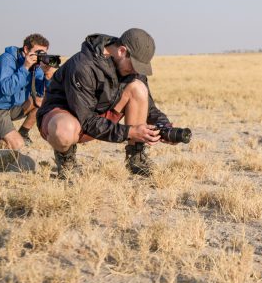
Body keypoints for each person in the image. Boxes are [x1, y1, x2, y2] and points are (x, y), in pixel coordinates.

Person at [37, 28, 175, 178]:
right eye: (134, 65)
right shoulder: (83, 66)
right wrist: (130, 132)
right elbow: (87, 121)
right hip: (68, 119)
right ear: (122, 51)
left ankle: (136, 157)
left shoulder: (132, 67)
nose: (136, 70)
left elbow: (149, 107)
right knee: (64, 130)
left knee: (139, 87)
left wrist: (165, 127)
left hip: (98, 118)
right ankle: (66, 159)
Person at [0, 34, 56, 149]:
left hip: (12, 106)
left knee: (43, 102)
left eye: (43, 53)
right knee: (16, 145)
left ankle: (23, 133)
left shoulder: (37, 67)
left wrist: (48, 76)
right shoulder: (7, 60)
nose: (40, 56)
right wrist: (25, 67)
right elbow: (7, 89)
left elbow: (41, 94)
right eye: (38, 52)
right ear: (26, 49)